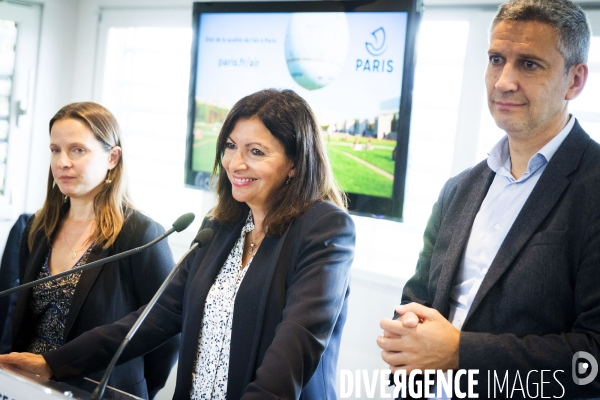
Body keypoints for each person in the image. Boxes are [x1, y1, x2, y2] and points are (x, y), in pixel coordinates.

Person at [0, 89, 355, 399]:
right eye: (230, 146)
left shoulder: (324, 227)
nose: (236, 162)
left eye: (257, 151)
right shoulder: (221, 227)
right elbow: (155, 317)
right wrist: (54, 363)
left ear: (295, 162)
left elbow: (296, 343)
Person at [377, 0, 600, 398]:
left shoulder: (593, 187)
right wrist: (405, 339)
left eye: (529, 64)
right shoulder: (458, 189)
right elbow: (416, 301)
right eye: (497, 59)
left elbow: (593, 361)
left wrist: (461, 353)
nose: (503, 81)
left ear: (575, 81)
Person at [2, 102, 179, 399]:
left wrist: (135, 389)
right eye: (55, 150)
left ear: (112, 157)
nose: (62, 162)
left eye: (77, 150)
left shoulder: (141, 235)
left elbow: (166, 333)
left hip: (101, 392)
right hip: (29, 390)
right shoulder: (36, 228)